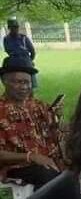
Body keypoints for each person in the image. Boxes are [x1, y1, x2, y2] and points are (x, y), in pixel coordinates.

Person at [0, 56, 63, 188]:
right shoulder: (2, 110)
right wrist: (30, 156)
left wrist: (58, 119)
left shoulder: (38, 106)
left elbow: (56, 132)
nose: (24, 87)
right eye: (18, 82)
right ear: (4, 81)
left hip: (48, 160)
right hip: (18, 166)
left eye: (27, 82)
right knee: (48, 175)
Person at [3, 18, 37, 88]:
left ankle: (31, 93)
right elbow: (8, 50)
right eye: (13, 27)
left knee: (30, 83)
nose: (15, 29)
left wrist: (29, 60)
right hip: (14, 62)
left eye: (16, 27)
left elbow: (32, 51)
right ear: (9, 28)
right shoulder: (6, 39)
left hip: (25, 61)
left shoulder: (24, 38)